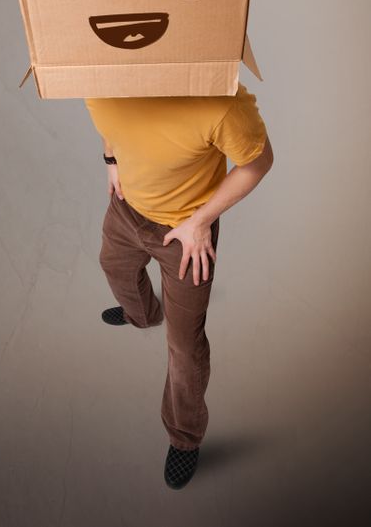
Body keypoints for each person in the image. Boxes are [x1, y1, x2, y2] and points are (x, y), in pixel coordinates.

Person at [84, 81, 274, 489]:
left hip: (186, 236)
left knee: (184, 348)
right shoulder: (97, 73)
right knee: (113, 267)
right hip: (126, 210)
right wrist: (110, 159)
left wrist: (201, 221)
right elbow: (110, 123)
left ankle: (185, 438)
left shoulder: (219, 100)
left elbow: (258, 161)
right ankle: (142, 314)